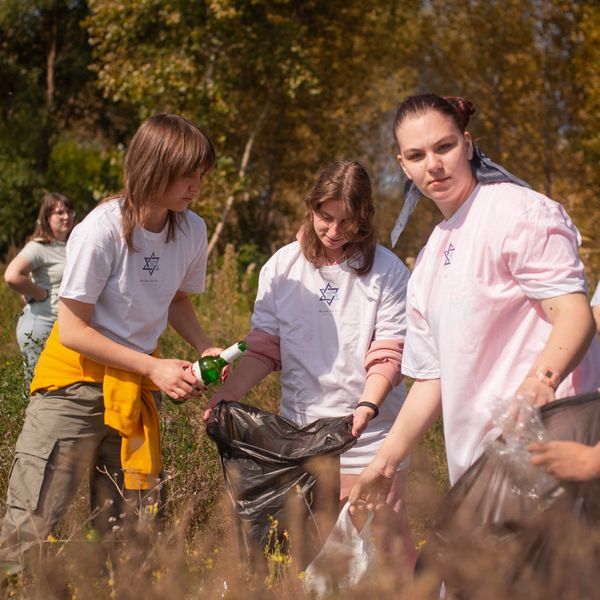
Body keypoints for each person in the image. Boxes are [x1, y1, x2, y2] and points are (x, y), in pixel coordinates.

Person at [348, 93, 600, 511]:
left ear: (467, 144)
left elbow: (574, 314)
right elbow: (432, 378)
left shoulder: (518, 212)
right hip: (477, 471)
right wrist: (385, 460)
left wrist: (541, 380)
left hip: (550, 455)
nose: (433, 164)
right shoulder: (430, 256)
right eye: (417, 155)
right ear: (403, 166)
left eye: (444, 147)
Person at [0, 113, 221, 574]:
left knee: (127, 531)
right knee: (31, 525)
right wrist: (153, 368)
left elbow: (176, 298)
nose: (197, 184)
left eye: (202, 173)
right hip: (73, 386)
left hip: (134, 390)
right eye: (188, 173)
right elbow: (73, 331)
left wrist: (203, 345)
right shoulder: (100, 229)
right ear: (152, 166)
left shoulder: (192, 229)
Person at [204, 160, 416, 571]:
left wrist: (365, 408)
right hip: (300, 437)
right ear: (311, 207)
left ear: (365, 218)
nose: (336, 231)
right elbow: (265, 348)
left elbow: (389, 354)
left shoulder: (387, 272)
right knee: (313, 556)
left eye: (348, 222)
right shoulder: (281, 268)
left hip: (369, 436)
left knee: (379, 554)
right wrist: (225, 396)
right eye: (326, 217)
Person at [4, 193, 75, 377]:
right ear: (46, 217)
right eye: (59, 212)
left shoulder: (73, 245)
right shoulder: (38, 247)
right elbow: (12, 275)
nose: (66, 217)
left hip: (66, 329)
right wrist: (39, 294)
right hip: (41, 326)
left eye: (69, 211)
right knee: (36, 388)